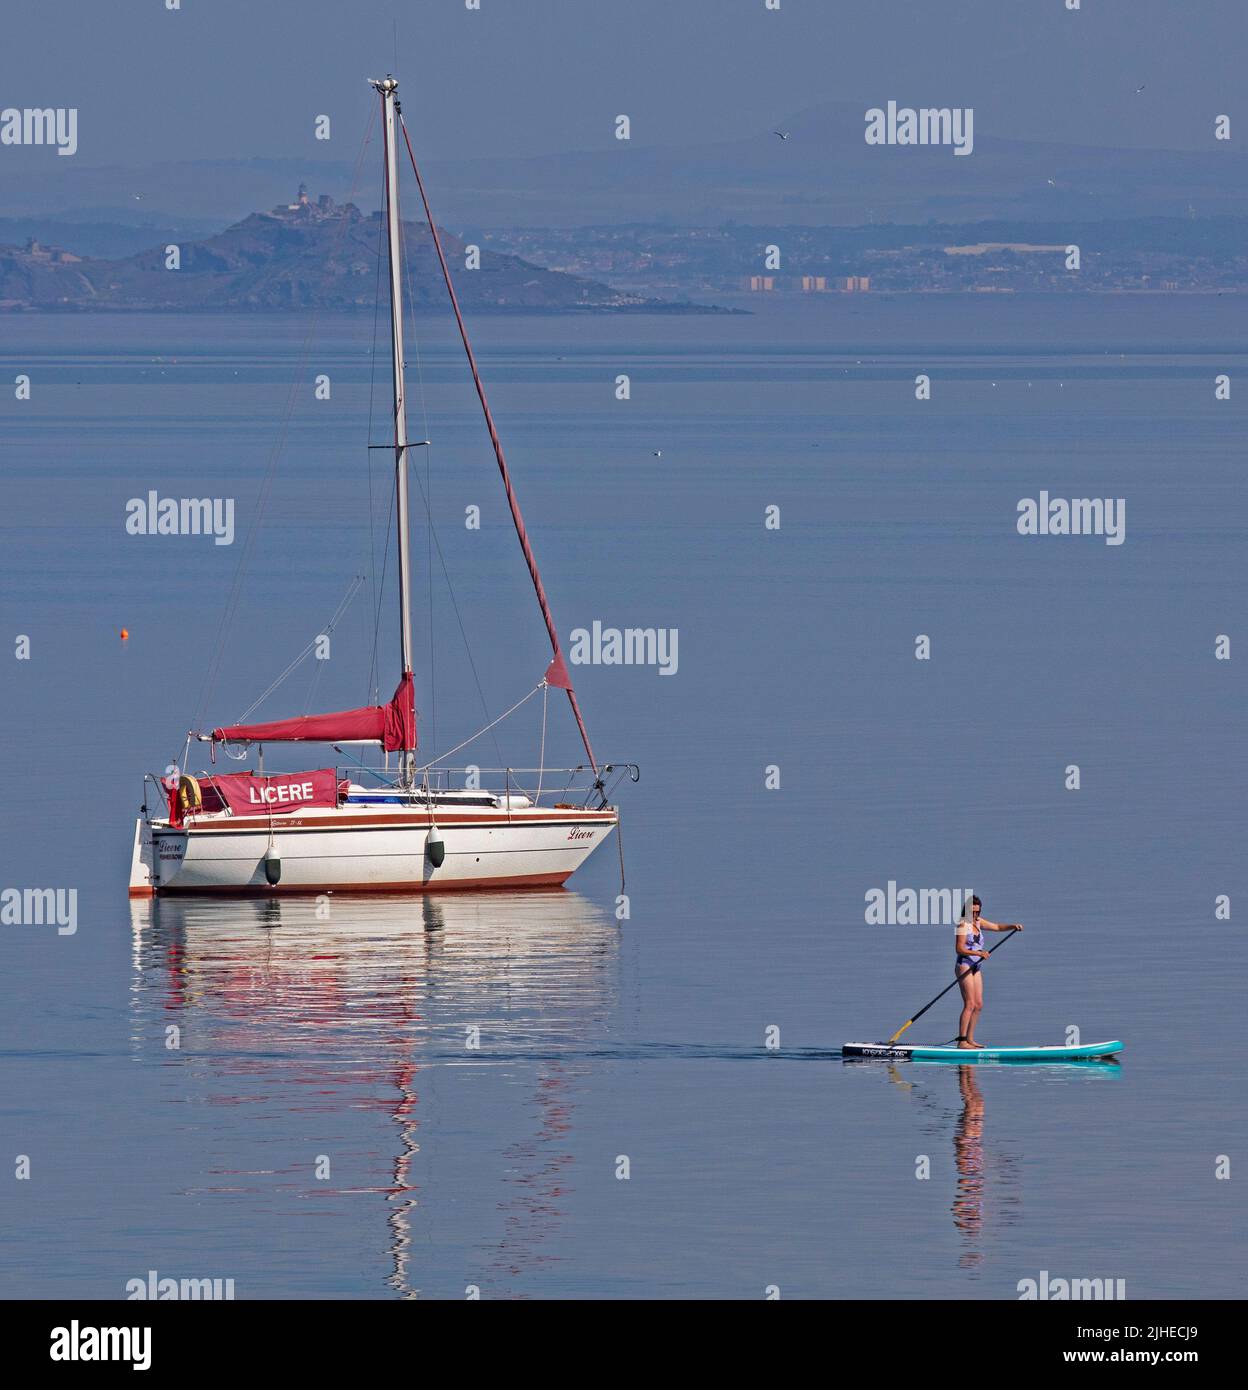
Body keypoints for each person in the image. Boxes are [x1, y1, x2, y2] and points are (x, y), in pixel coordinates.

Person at [955, 897, 1022, 1048]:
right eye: (972, 911)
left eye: (977, 911)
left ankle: (970, 1040)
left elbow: (997, 927)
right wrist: (979, 954)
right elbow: (959, 949)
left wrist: (1013, 926)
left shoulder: (978, 921)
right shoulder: (962, 924)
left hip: (976, 966)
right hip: (964, 965)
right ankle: (961, 1041)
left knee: (978, 1004)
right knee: (969, 1003)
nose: (975, 914)